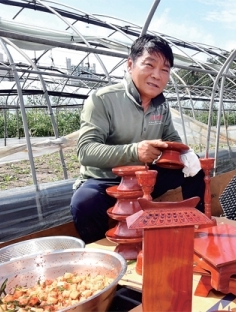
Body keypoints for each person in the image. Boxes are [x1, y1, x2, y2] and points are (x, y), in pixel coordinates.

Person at [70, 34, 205, 244]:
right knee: (84, 202)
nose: (157, 75)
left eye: (164, 70)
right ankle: (103, 254)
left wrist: (185, 154)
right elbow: (86, 151)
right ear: (130, 64)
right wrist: (134, 151)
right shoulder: (102, 100)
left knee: (195, 171)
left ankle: (196, 231)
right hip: (106, 180)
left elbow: (171, 138)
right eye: (149, 65)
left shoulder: (161, 105)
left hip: (146, 178)